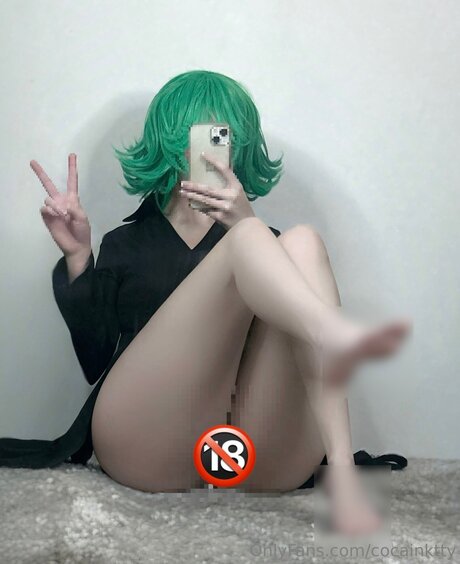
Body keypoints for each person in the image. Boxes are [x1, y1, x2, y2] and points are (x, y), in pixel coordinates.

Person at [1, 70, 410, 535]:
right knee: (253, 239)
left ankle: (341, 470)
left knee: (302, 242)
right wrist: (78, 257)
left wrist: (246, 224)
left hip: (242, 453)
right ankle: (328, 328)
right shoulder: (126, 244)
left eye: (223, 137)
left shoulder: (271, 247)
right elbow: (96, 361)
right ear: (170, 143)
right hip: (146, 445)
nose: (210, 152)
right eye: (198, 138)